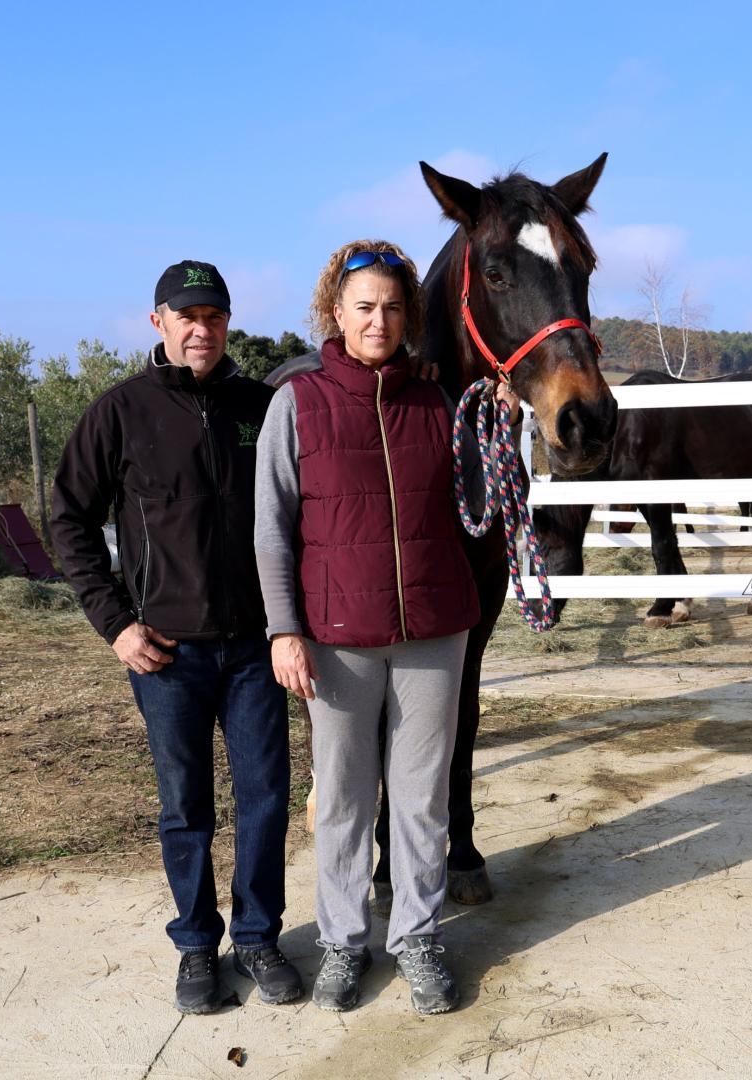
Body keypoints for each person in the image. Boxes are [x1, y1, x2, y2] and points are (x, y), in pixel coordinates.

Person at [254, 239, 506, 1015]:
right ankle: (341, 941)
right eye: (364, 306)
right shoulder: (296, 403)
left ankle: (419, 938)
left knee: (423, 796)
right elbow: (271, 525)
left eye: (394, 308)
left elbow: (479, 504)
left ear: (410, 317)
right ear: (336, 311)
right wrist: (283, 629)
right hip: (336, 634)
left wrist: (501, 425)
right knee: (342, 798)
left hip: (434, 628)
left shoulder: (437, 400)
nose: (379, 320)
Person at [49, 261, 301, 1014]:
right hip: (166, 652)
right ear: (157, 321)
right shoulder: (119, 412)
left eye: (215, 317)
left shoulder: (262, 408)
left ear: (229, 323)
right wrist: (115, 623)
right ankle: (196, 947)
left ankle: (257, 937)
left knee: (264, 798)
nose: (202, 329)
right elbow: (67, 519)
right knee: (184, 805)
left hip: (255, 646)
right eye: (186, 316)